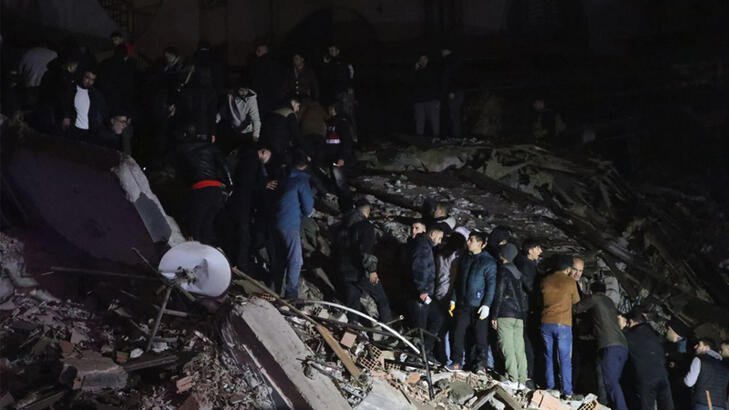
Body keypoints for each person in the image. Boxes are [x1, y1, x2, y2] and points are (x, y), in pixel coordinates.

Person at [335, 198, 391, 324]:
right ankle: (387, 329)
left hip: (344, 270)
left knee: (353, 300)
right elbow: (366, 250)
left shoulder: (343, 224)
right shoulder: (366, 226)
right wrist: (372, 270)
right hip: (359, 271)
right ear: (368, 211)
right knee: (382, 299)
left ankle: (353, 327)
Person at [573, 282, 628, 410]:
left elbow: (575, 309)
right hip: (622, 346)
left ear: (592, 291)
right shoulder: (610, 303)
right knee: (602, 374)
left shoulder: (595, 298)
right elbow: (601, 323)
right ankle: (603, 404)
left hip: (609, 345)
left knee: (610, 382)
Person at [448, 231, 497, 372]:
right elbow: (458, 281)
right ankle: (457, 361)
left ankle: (480, 364)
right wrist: (453, 299)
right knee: (457, 332)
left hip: (478, 305)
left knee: (480, 337)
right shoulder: (465, 259)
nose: (468, 242)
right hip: (463, 303)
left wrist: (486, 304)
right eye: (468, 239)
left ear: (480, 243)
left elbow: (491, 284)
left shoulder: (488, 262)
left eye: (471, 240)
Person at [175, 126, 232, 246]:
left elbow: (181, 174)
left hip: (199, 190)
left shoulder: (181, 149)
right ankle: (210, 251)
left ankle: (196, 252)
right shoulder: (210, 147)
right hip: (216, 189)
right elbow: (224, 166)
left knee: (195, 227)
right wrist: (230, 185)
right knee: (208, 226)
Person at [228, 144, 276, 272]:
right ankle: (241, 264)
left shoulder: (245, 158)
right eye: (269, 156)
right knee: (243, 235)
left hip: (238, 201)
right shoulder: (252, 161)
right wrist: (263, 184)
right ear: (264, 152)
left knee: (238, 232)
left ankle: (236, 261)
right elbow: (246, 184)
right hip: (242, 202)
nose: (268, 160)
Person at [540, 254, 581, 400]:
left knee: (548, 356)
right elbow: (576, 301)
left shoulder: (545, 280)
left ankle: (551, 387)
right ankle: (567, 391)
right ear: (568, 268)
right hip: (563, 324)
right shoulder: (571, 282)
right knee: (564, 359)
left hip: (546, 322)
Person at [275, 153, 314, 299]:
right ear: (305, 166)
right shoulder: (301, 181)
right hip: (290, 224)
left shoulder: (284, 178)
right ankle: (291, 294)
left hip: (277, 221)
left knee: (281, 257)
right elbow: (308, 207)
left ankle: (275, 288)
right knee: (296, 259)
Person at [491, 243, 528, 389]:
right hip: (519, 316)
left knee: (507, 347)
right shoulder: (518, 273)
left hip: (505, 314)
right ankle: (522, 380)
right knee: (519, 348)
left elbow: (499, 293)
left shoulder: (503, 270)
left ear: (503, 254)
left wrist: (494, 315)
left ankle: (512, 379)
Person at [406, 224, 446, 358]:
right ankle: (415, 356)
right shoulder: (423, 246)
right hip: (420, 294)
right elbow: (419, 268)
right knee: (420, 328)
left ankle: (425, 351)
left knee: (437, 318)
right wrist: (422, 290)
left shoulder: (424, 245)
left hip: (424, 293)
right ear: (433, 234)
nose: (439, 242)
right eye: (439, 238)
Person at [624, 308, 674, 410]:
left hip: (646, 379)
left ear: (631, 321)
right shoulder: (655, 335)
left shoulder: (629, 336)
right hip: (662, 375)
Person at [514, 238, 542, 381]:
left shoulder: (528, 264)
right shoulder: (526, 265)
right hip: (525, 307)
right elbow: (530, 286)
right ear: (530, 250)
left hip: (525, 306)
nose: (540, 251)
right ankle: (528, 372)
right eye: (537, 248)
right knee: (526, 339)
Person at [260, 97, 301, 177]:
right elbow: (297, 136)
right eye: (298, 105)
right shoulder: (289, 113)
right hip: (278, 149)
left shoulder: (272, 111)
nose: (298, 109)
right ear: (293, 102)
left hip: (265, 146)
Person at [684, 338, 729, 410]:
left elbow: (689, 382)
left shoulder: (699, 359)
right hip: (721, 405)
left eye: (699, 345)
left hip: (703, 404)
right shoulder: (725, 365)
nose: (695, 347)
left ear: (707, 348)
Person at [64, 68, 108, 140]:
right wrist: (66, 116)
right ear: (82, 76)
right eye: (87, 77)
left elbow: (102, 111)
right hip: (73, 129)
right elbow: (66, 104)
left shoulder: (96, 95)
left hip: (89, 132)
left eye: (92, 80)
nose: (89, 81)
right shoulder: (72, 89)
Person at [219, 80, 261, 151]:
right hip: (234, 130)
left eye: (246, 90)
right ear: (237, 88)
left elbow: (255, 119)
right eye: (241, 90)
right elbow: (223, 111)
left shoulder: (251, 100)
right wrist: (214, 121)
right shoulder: (230, 96)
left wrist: (255, 137)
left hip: (247, 132)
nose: (244, 93)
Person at [17, 41, 57, 107]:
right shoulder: (53, 54)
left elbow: (20, 70)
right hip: (47, 87)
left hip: (30, 86)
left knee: (30, 107)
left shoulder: (28, 53)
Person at [249, 44, 284, 117]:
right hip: (275, 97)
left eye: (258, 51)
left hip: (263, 97)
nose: (256, 53)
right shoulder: (277, 62)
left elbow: (256, 81)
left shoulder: (260, 63)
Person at [412, 52, 440, 138]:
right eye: (421, 59)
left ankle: (436, 137)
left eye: (424, 59)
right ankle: (419, 138)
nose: (422, 61)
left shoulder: (432, 70)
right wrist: (415, 71)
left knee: (434, 120)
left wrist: (438, 99)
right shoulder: (416, 71)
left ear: (427, 60)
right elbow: (412, 84)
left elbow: (434, 83)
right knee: (419, 120)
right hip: (419, 100)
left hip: (431, 99)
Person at [440, 47, 465, 139]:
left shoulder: (450, 61)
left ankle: (456, 136)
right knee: (454, 114)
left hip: (454, 91)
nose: (442, 53)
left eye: (443, 51)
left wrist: (451, 90)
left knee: (454, 114)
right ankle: (455, 135)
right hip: (456, 91)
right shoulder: (454, 60)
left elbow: (451, 76)